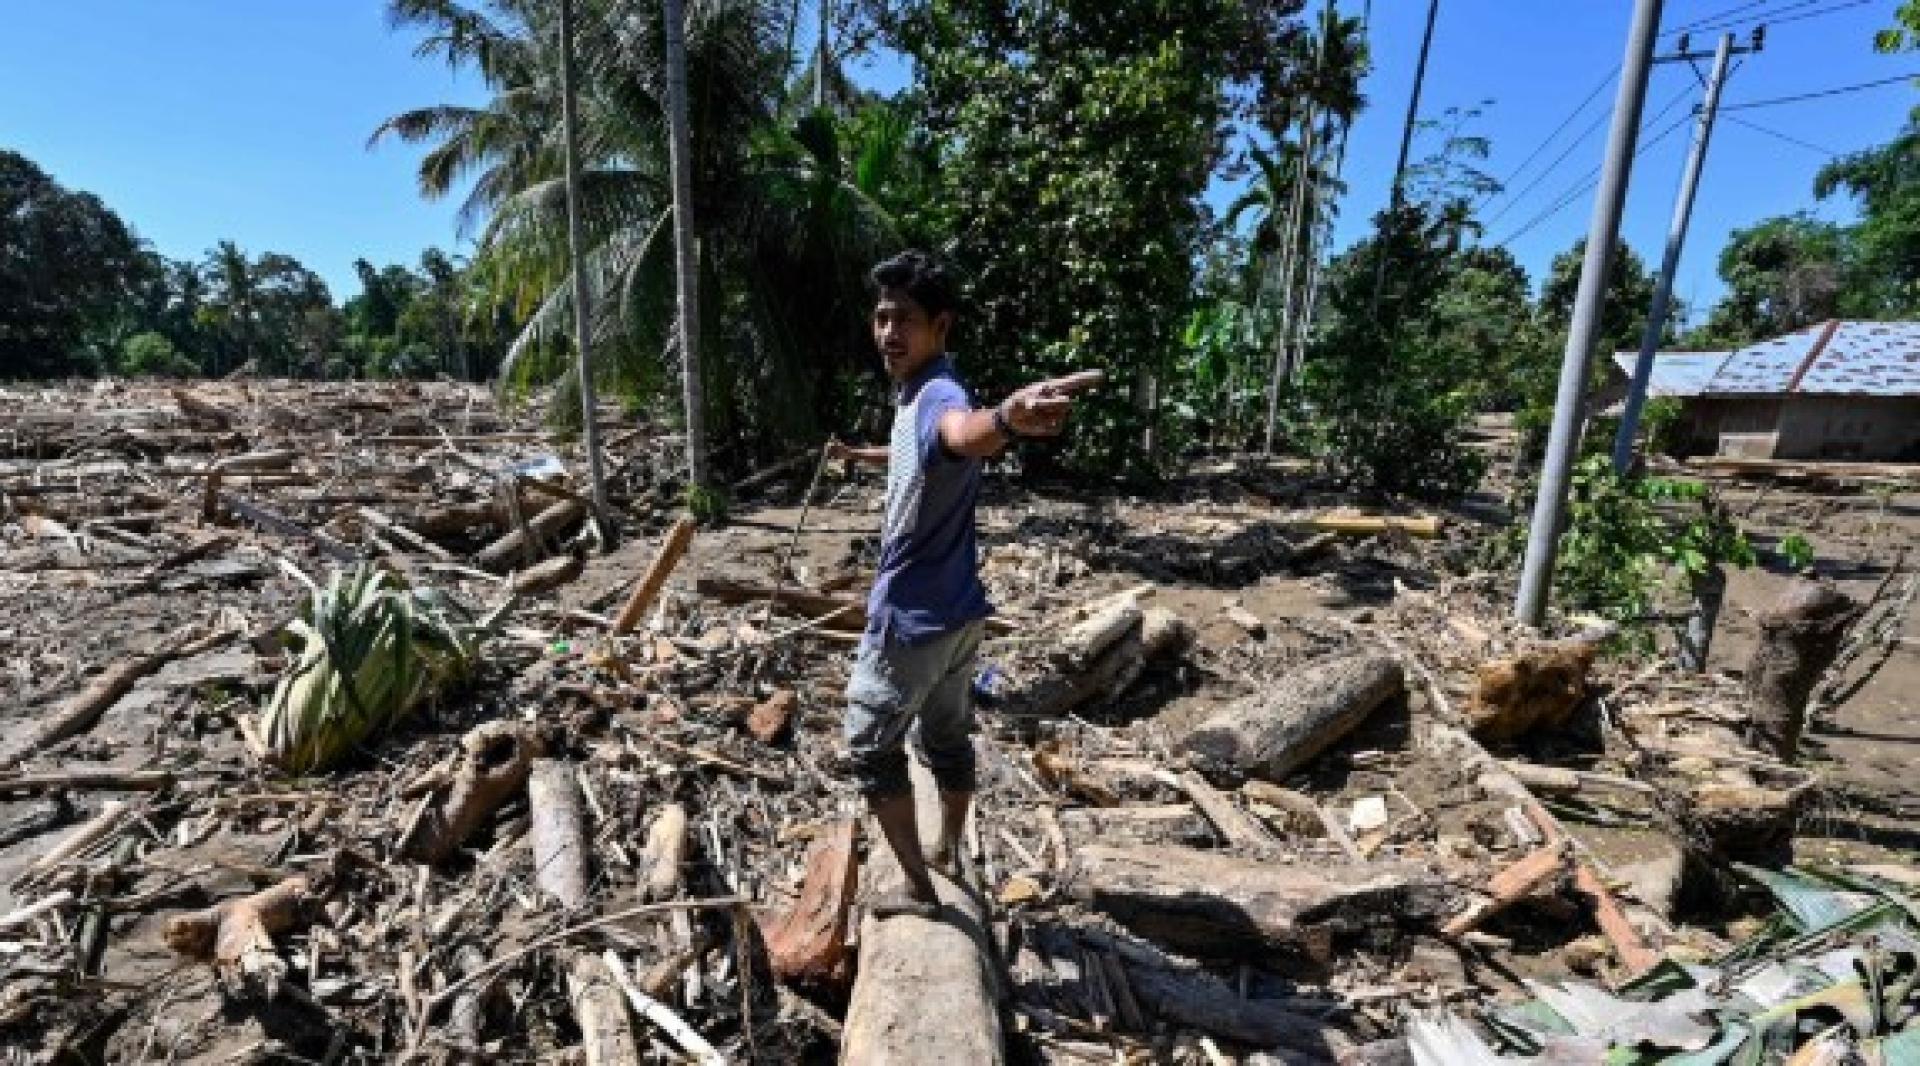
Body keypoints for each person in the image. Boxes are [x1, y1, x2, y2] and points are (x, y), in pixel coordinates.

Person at [829, 250, 1095, 919]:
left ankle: (920, 891)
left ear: (940, 325)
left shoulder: (942, 398)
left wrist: (1005, 420)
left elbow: (962, 433)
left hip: (912, 622)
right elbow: (927, 446)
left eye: (905, 320)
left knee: (870, 745)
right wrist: (866, 456)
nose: (889, 331)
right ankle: (947, 849)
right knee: (945, 739)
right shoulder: (921, 389)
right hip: (959, 617)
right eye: (881, 316)